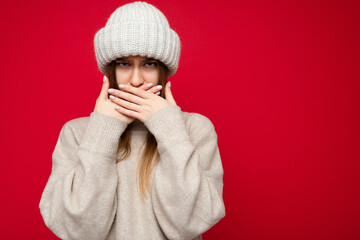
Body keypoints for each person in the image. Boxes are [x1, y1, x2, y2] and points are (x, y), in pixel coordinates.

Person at [39, 1, 226, 239]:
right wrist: (102, 131)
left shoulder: (194, 129)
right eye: (124, 64)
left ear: (164, 70)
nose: (136, 80)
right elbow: (78, 230)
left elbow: (191, 223)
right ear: (110, 71)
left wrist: (169, 128)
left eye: (149, 63)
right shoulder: (77, 133)